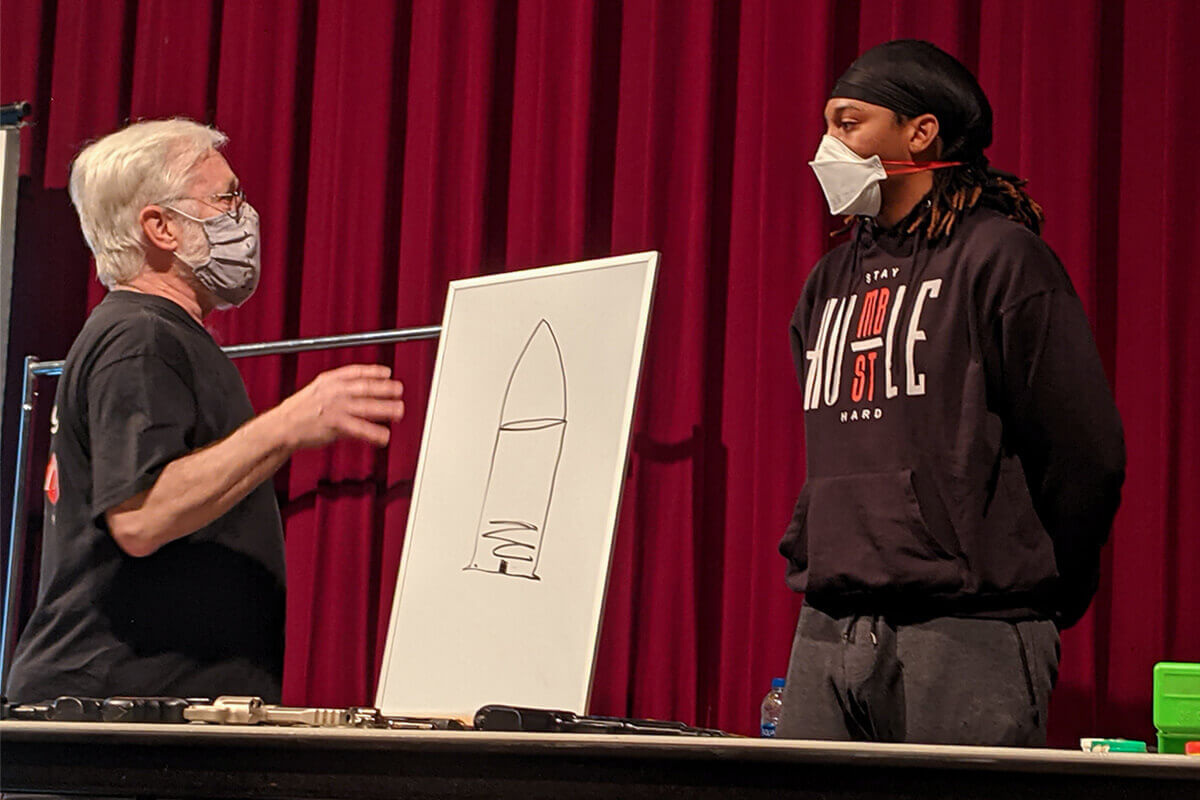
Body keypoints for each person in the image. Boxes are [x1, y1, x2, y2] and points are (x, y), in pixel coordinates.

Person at [777, 40, 1125, 745]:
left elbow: (1084, 451)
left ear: (921, 132)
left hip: (967, 632)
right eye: (827, 125)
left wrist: (1041, 591)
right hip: (827, 628)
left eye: (849, 123)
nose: (826, 147)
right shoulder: (828, 281)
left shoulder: (1001, 259)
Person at [5, 119, 406, 704]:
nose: (245, 216)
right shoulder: (139, 337)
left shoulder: (164, 336)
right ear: (160, 227)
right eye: (226, 198)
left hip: (151, 710)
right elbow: (140, 517)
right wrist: (288, 424)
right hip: (116, 716)